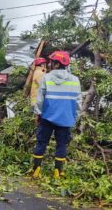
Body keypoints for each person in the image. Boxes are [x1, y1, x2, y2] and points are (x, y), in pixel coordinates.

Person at [32, 51, 82, 179]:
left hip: (47, 117)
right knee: (61, 145)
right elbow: (78, 102)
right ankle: (58, 172)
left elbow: (39, 99)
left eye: (51, 62)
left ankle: (36, 169)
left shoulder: (46, 78)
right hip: (66, 119)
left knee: (41, 142)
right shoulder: (75, 80)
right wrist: (74, 117)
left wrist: (37, 113)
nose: (49, 64)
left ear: (55, 64)